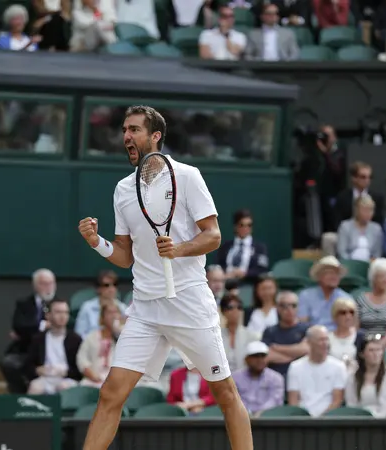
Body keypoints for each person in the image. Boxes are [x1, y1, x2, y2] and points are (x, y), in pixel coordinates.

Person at [78, 105, 253, 450]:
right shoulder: (123, 189)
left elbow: (213, 235)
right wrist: (97, 243)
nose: (126, 136)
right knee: (111, 393)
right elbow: (126, 255)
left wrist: (180, 249)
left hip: (189, 300)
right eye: (124, 130)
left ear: (155, 136)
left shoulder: (187, 176)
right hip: (145, 307)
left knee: (225, 393)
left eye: (134, 130)